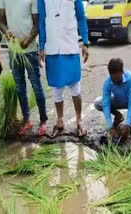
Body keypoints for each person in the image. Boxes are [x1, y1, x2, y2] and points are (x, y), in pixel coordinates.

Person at [38, 0, 89, 138]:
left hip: (70, 45)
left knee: (75, 87)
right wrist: (41, 46)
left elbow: (81, 18)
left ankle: (79, 119)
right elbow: (41, 22)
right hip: (53, 48)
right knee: (56, 88)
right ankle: (60, 121)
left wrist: (85, 42)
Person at [0, 0, 48, 137]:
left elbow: (37, 25)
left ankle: (43, 121)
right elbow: (1, 21)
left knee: (36, 86)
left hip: (30, 50)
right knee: (20, 88)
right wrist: (7, 33)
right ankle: (27, 121)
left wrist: (28, 39)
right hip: (14, 50)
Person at [94, 58, 131, 142]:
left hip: (129, 101)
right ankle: (118, 115)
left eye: (117, 78)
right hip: (117, 101)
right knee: (98, 102)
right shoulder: (107, 82)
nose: (115, 81)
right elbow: (105, 103)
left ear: (122, 72)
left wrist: (127, 124)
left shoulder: (130, 78)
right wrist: (110, 127)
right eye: (113, 78)